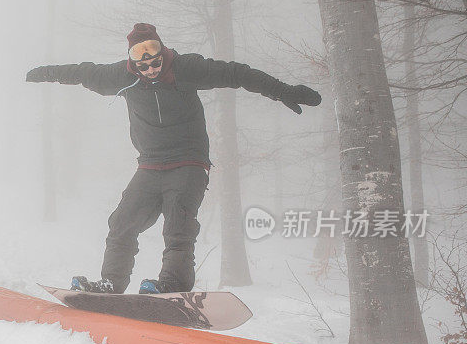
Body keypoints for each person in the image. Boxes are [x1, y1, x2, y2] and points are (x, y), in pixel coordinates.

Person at [26, 23, 321, 294]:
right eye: (145, 67)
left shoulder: (185, 68)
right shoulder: (120, 76)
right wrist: (43, 73)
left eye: (156, 63)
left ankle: (172, 285)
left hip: (189, 162)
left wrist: (282, 91)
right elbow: (81, 72)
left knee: (178, 226)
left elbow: (236, 73)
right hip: (150, 164)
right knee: (122, 222)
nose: (152, 70)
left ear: (162, 53)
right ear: (134, 64)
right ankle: (111, 283)